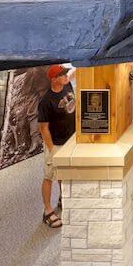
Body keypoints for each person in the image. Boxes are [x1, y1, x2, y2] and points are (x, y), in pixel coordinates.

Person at [37, 64, 75, 228]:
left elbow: (72, 77)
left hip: (70, 139)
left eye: (66, 74)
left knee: (64, 173)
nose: (66, 76)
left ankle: (63, 198)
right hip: (55, 144)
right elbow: (43, 128)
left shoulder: (67, 85)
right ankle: (47, 211)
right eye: (62, 75)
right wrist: (51, 149)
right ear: (54, 79)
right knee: (49, 177)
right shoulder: (45, 102)